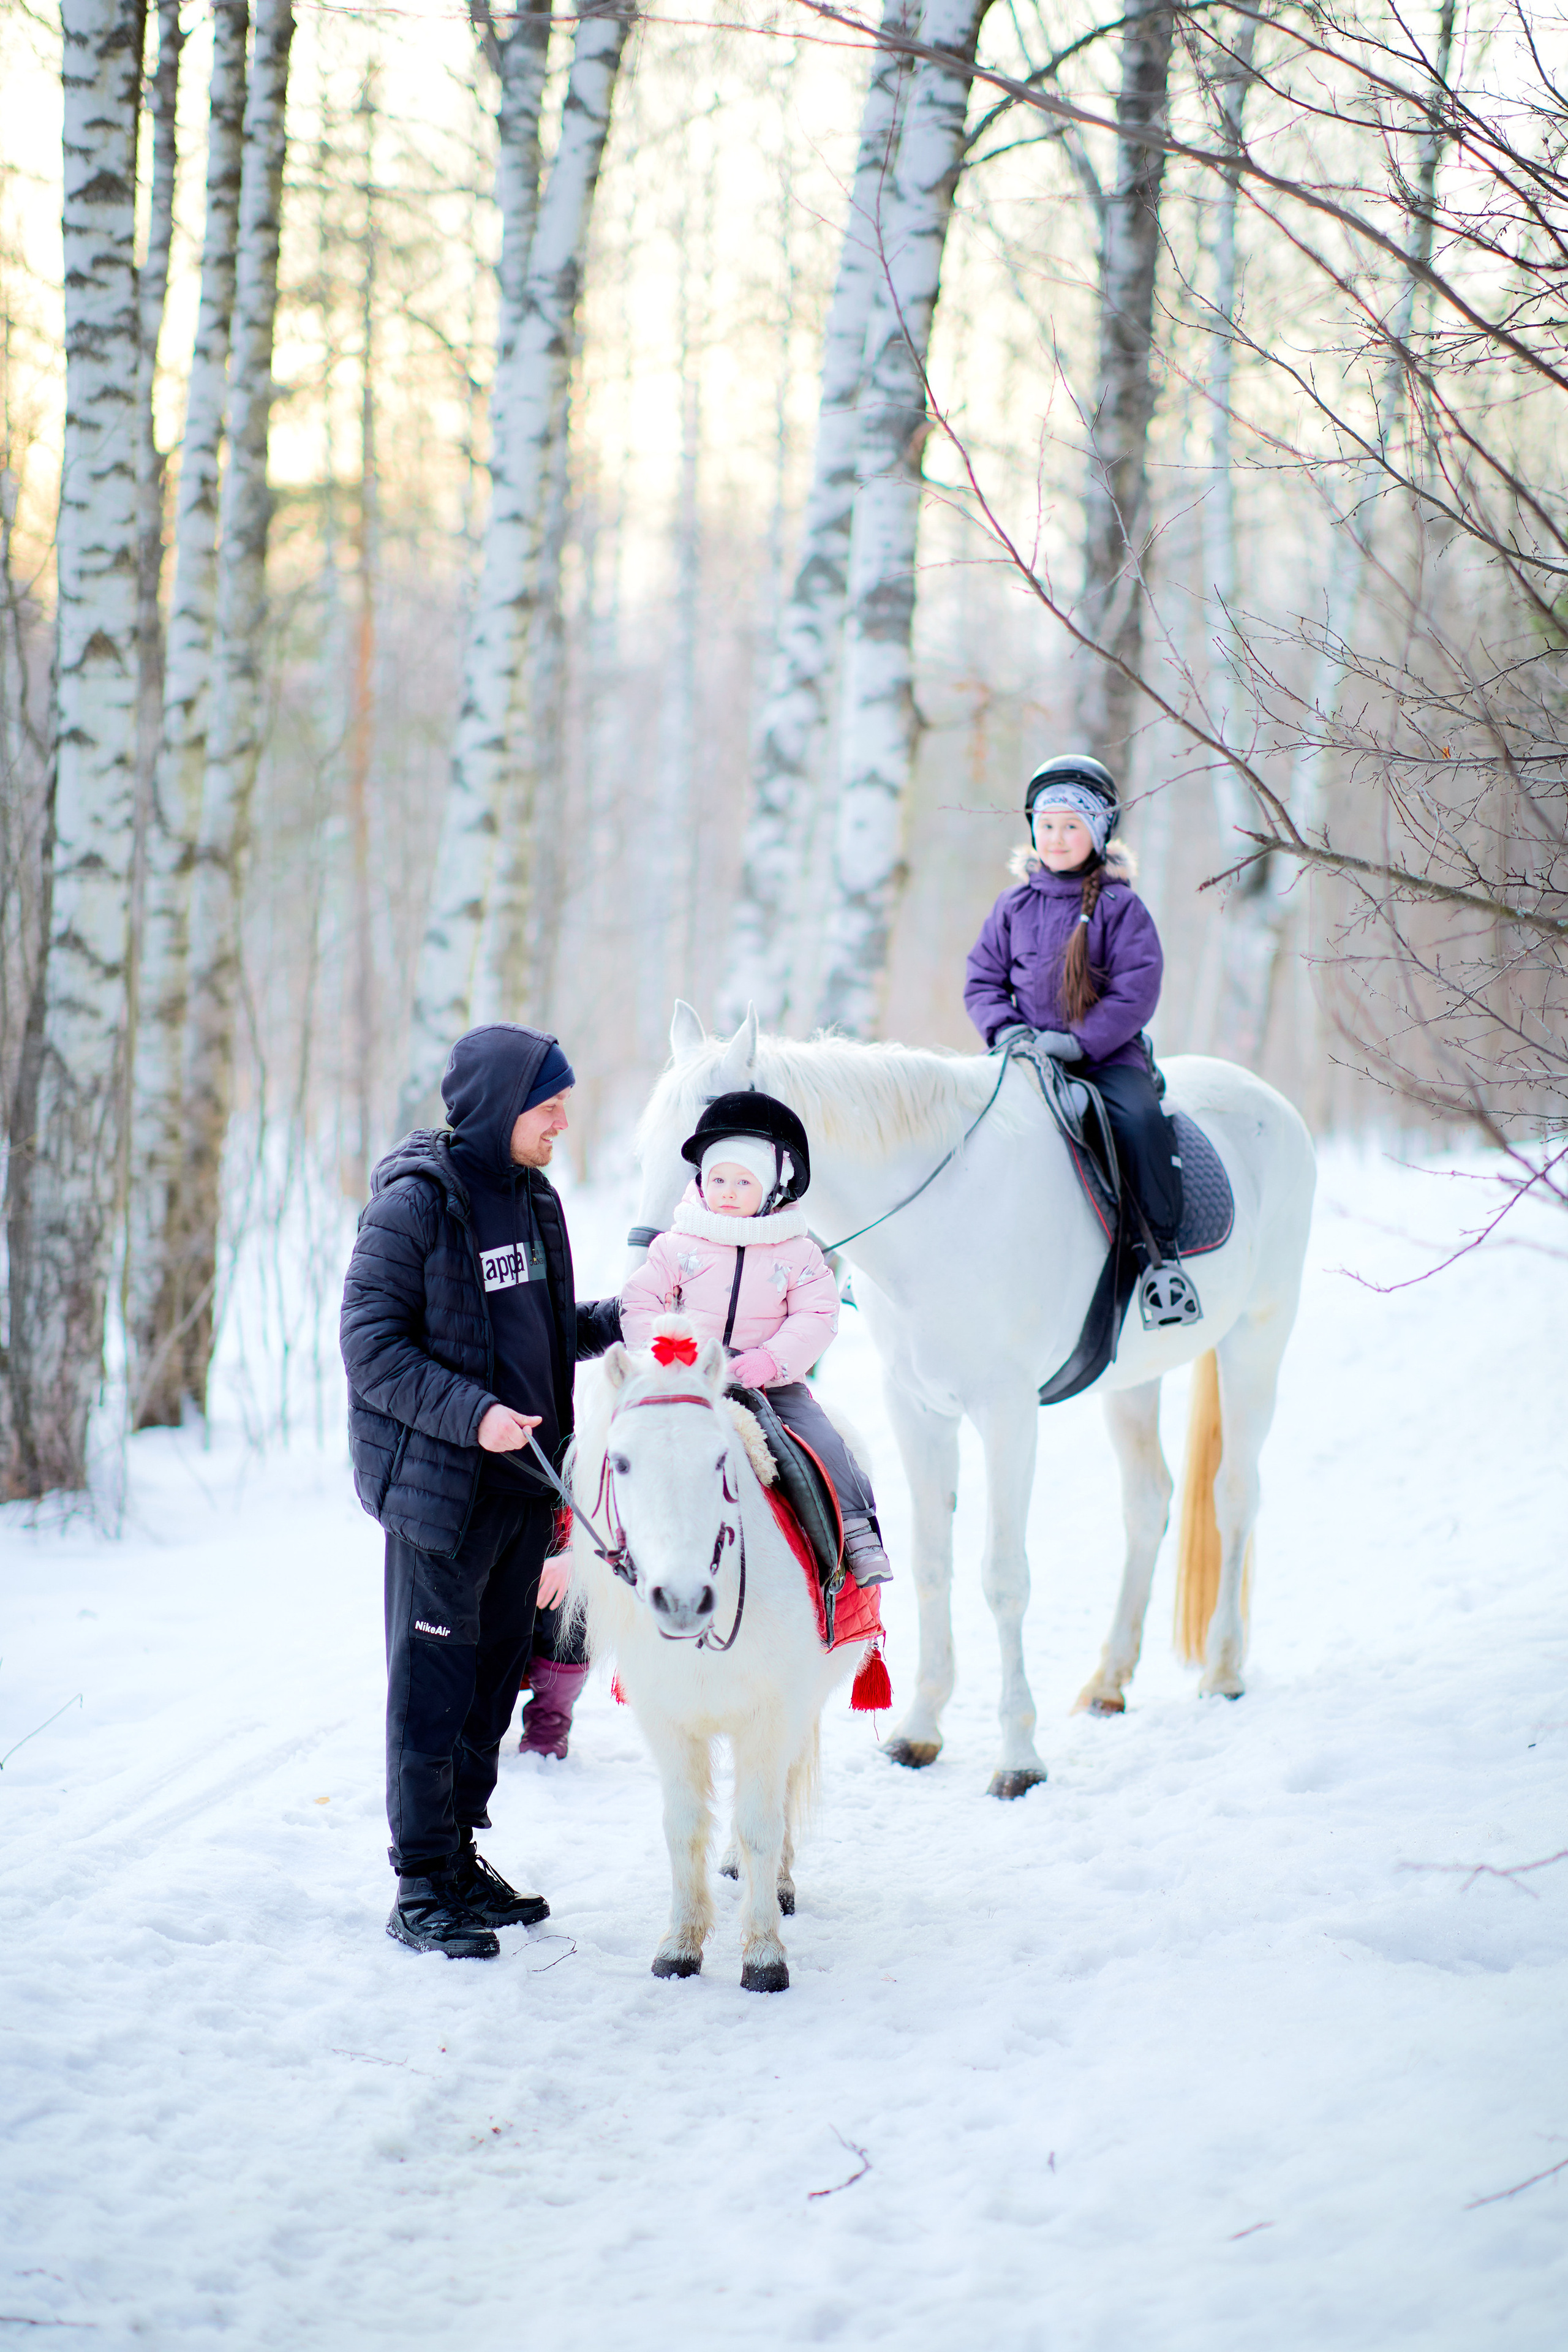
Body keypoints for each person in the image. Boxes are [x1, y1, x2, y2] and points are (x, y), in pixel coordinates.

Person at [340, 1024, 620, 1959]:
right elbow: (371, 1349)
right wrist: (474, 1414)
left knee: (492, 1686)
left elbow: (540, 1328)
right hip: (443, 1494)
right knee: (432, 1691)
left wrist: (616, 1323)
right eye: (550, 1107)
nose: (563, 1124)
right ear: (504, 1106)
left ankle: (459, 1859)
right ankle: (420, 1888)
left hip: (520, 1495)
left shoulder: (537, 1200)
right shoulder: (414, 1207)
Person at [620, 1091, 891, 1584]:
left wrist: (773, 1360)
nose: (726, 1190)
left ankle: (855, 1529)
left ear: (771, 1189)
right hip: (688, 1374)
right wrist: (665, 1349)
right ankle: (616, 1540)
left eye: (743, 1181)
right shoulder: (676, 1244)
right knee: (631, 1441)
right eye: (717, 1178)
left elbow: (818, 1314)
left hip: (771, 1382)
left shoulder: (798, 1252)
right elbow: (640, 1302)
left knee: (823, 1440)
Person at [963, 754, 1186, 1265]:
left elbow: (1137, 990)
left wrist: (1079, 1042)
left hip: (1105, 1059)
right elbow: (983, 980)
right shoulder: (1013, 907)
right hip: (1023, 1053)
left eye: (1071, 825)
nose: (1056, 837)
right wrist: (1007, 1033)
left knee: (1140, 1123)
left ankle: (1161, 1253)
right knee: (962, 1117)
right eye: (1046, 825)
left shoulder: (1120, 907)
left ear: (1099, 832)